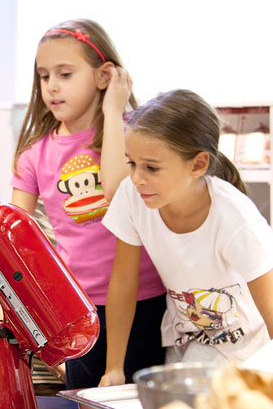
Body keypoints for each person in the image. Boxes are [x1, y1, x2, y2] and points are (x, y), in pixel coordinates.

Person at [0, 19, 167, 389]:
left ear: (104, 76)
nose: (51, 86)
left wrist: (113, 112)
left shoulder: (133, 132)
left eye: (65, 74)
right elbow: (13, 241)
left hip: (144, 301)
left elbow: (119, 191)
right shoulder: (34, 155)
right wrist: (4, 316)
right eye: (43, 76)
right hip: (75, 308)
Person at [99, 90, 273, 385]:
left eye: (151, 167)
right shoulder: (133, 196)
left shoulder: (235, 218)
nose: (137, 178)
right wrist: (114, 368)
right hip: (186, 341)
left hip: (247, 353)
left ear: (197, 165)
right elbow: (124, 281)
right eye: (132, 163)